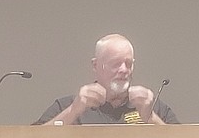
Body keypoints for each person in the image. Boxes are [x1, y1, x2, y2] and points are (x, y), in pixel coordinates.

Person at [36, 34, 178, 125]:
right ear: (96, 65)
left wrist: (151, 118)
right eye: (115, 64)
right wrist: (73, 111)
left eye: (128, 63)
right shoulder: (67, 105)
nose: (123, 70)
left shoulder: (153, 107)